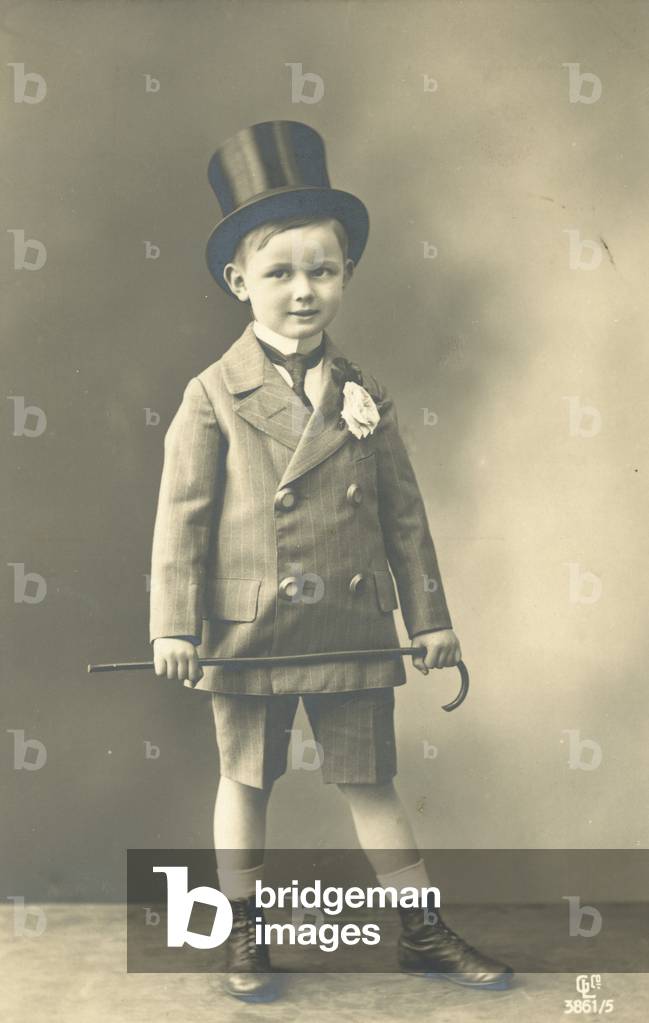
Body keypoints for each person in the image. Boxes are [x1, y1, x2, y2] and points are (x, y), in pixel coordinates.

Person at [148, 120, 513, 1002]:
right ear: (240, 281)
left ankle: (420, 932)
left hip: (350, 624)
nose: (302, 291)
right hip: (248, 629)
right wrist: (173, 626)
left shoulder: (364, 394)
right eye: (279, 273)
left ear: (346, 274)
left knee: (372, 781)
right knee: (246, 780)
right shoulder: (212, 396)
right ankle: (244, 936)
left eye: (321, 270)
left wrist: (428, 620)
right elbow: (181, 523)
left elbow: (404, 518)